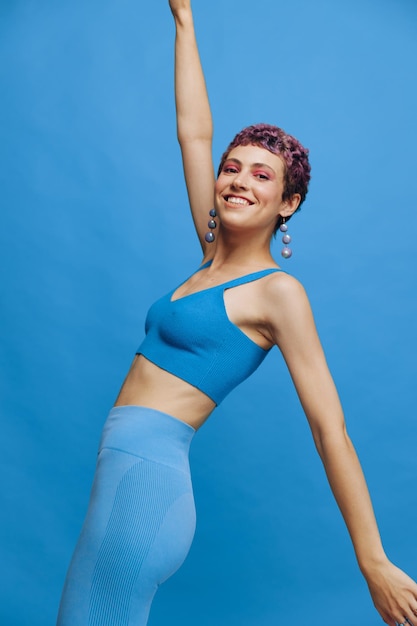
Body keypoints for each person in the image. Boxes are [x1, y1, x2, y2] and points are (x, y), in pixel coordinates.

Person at [56, 1, 417, 625]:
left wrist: (372, 559)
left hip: (145, 490)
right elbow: (192, 131)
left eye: (262, 175)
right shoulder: (208, 250)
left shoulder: (278, 293)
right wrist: (184, 21)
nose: (238, 181)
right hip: (120, 480)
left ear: (289, 204)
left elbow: (330, 428)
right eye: (232, 168)